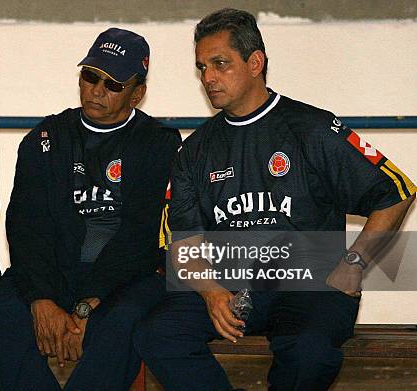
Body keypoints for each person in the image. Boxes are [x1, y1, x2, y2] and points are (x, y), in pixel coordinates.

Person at [134, 8, 415, 391]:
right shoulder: (195, 151)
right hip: (233, 286)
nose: (208, 78)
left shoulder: (312, 129)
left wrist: (354, 263)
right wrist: (213, 293)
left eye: (220, 64)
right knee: (158, 334)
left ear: (255, 63)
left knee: (309, 350)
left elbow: (396, 192)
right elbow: (182, 242)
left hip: (310, 286)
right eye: (202, 67)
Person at [0, 28, 181, 391]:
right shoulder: (45, 137)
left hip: (126, 278)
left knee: (123, 322)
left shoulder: (159, 143)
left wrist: (87, 305)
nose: (97, 89)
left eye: (113, 84)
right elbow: (26, 227)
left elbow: (142, 237)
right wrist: (42, 299)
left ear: (138, 93)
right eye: (90, 76)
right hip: (54, 274)